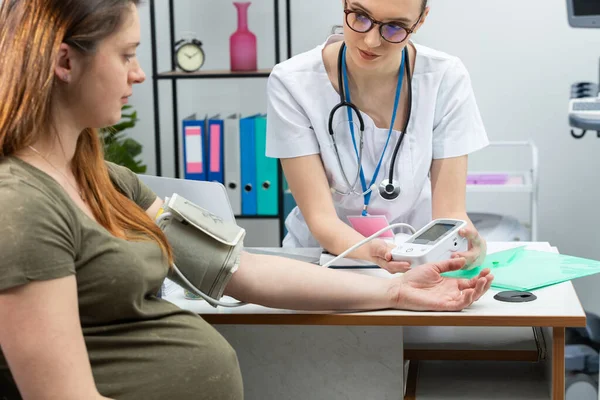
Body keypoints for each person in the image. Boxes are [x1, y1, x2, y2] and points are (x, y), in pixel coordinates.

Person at [0, 1, 493, 399]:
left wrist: (397, 293)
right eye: (127, 55)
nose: (140, 75)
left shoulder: (107, 182)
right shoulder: (19, 206)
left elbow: (238, 268)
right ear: (65, 61)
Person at [266, 0, 489, 273]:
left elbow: (450, 213)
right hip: (320, 261)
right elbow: (321, 219)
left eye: (395, 27)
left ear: (420, 21)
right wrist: (377, 252)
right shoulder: (292, 82)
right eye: (360, 16)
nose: (371, 41)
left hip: (415, 258)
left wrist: (466, 242)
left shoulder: (445, 78)